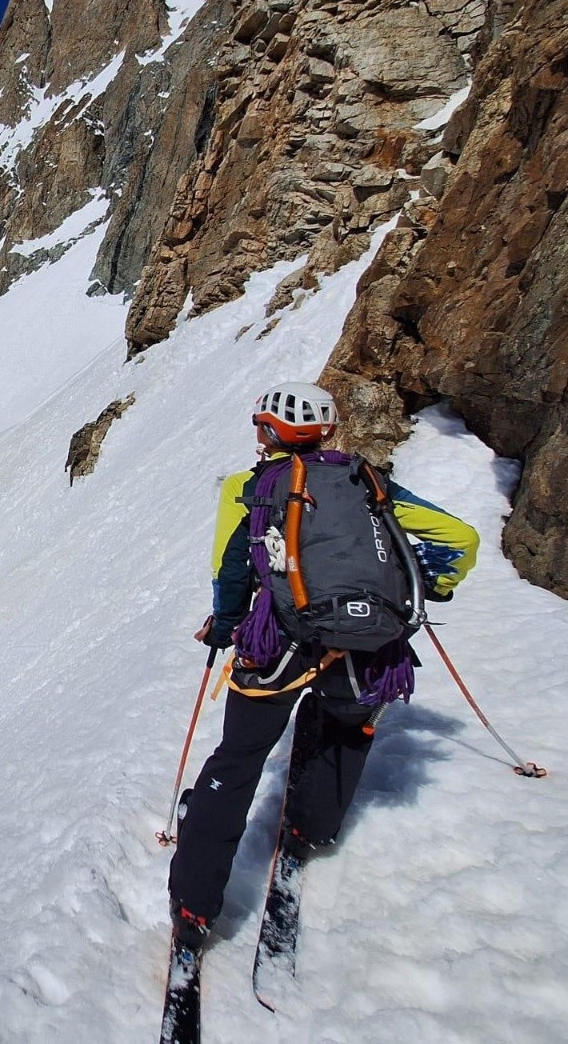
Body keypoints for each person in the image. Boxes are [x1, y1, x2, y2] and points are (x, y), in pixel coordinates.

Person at [167, 381, 480, 949]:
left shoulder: (252, 487)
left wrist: (223, 622)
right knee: (346, 726)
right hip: (369, 643)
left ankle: (195, 903)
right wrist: (432, 584)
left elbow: (232, 568)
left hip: (280, 645)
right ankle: (311, 825)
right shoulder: (366, 481)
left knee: (238, 759)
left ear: (268, 432)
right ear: (327, 431)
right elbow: (460, 537)